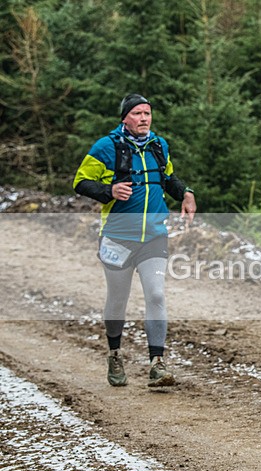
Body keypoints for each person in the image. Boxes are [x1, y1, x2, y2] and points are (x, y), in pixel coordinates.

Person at [73, 93, 196, 388]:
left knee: (156, 295)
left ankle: (157, 363)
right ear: (125, 118)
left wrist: (186, 193)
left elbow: (168, 178)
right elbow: (80, 182)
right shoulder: (106, 146)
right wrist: (109, 191)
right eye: (138, 113)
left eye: (147, 113)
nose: (144, 118)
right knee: (118, 298)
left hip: (154, 236)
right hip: (117, 238)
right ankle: (115, 354)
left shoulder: (158, 145)